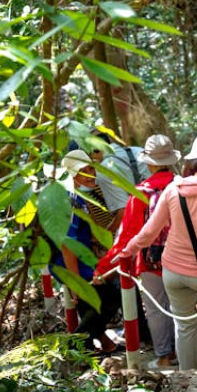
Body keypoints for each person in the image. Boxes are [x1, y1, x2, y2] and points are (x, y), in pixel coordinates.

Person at [120, 133, 197, 371]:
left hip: (172, 272)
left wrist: (127, 250)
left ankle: (189, 380)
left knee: (183, 326)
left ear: (192, 162)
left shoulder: (173, 190)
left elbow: (149, 233)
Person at [95, 134, 180, 368]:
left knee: (156, 309)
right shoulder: (184, 185)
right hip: (186, 259)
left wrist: (103, 268)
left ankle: (165, 356)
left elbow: (127, 235)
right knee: (181, 308)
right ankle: (185, 357)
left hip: (152, 260)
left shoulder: (141, 193)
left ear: (149, 163)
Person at [53, 149, 122, 355]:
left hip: (82, 259)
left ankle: (100, 346)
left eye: (92, 168)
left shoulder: (78, 196)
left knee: (90, 305)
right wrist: (76, 285)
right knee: (110, 298)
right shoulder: (69, 200)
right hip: (70, 262)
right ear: (73, 174)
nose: (92, 173)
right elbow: (67, 246)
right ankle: (73, 344)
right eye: (84, 170)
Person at [88, 128, 145, 234]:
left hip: (140, 228)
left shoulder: (104, 170)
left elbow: (123, 211)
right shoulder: (138, 151)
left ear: (96, 149)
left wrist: (107, 234)